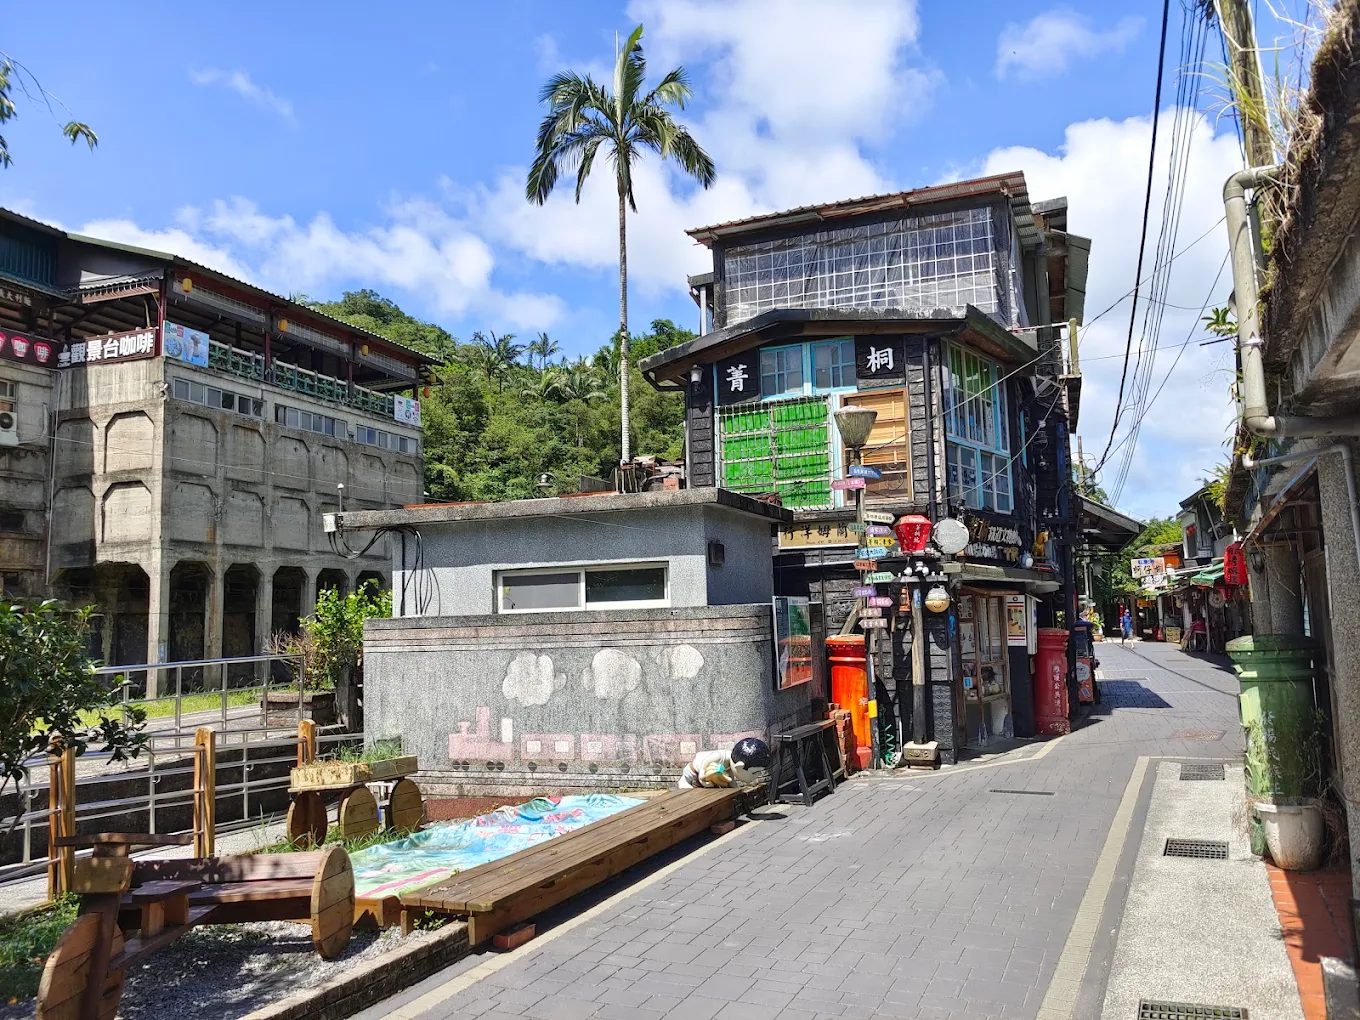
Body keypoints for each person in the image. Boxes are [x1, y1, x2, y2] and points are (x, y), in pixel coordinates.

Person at [677, 737, 771, 789]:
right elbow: (706, 763)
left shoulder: (729, 765)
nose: (757, 776)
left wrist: (736, 790)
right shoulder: (719, 757)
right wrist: (702, 777)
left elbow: (731, 780)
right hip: (692, 773)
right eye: (754, 772)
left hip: (708, 779)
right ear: (739, 766)